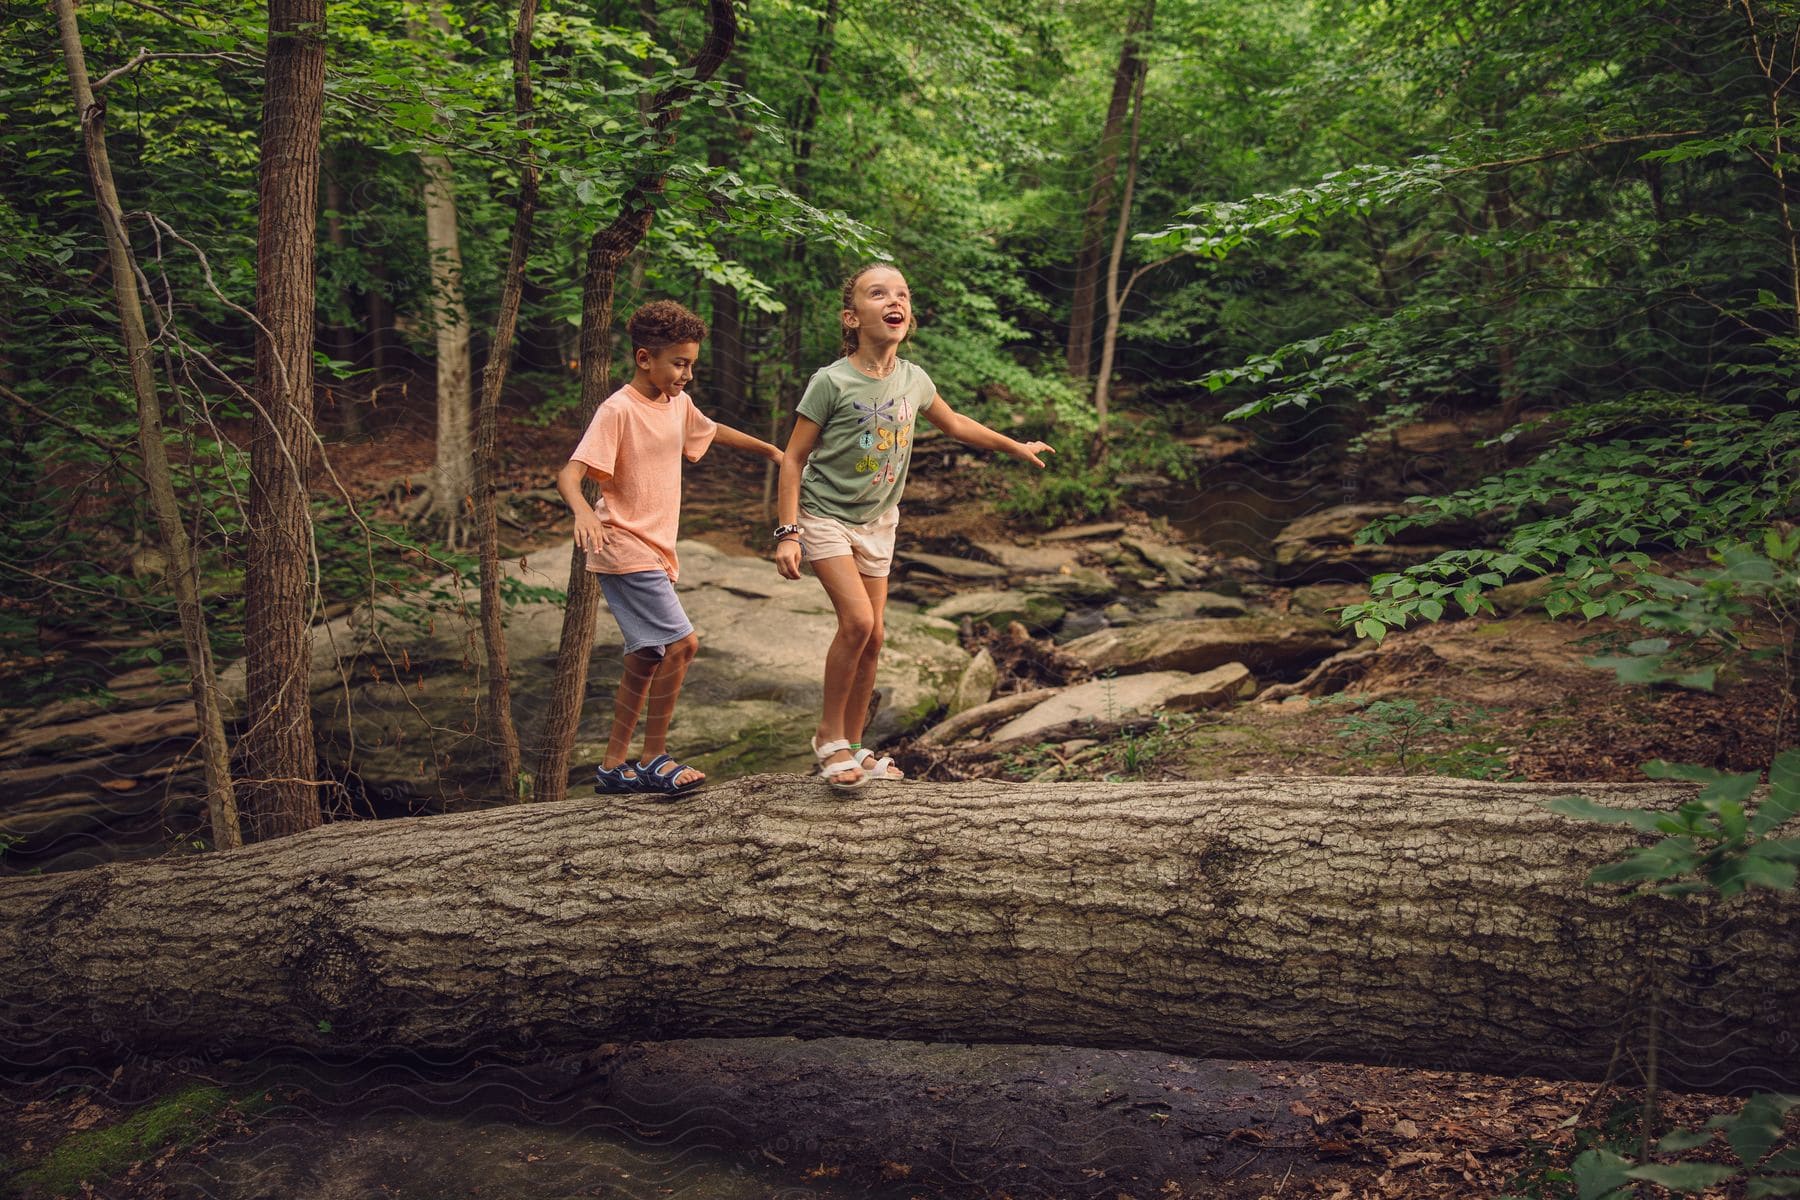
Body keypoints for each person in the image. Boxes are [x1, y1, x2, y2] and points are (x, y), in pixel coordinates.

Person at [773, 265, 1054, 788]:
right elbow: (792, 459)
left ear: (909, 314)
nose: (893, 300)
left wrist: (1013, 444)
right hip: (824, 514)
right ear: (852, 317)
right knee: (856, 623)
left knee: (875, 638)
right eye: (877, 293)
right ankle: (828, 739)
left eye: (901, 293)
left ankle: (856, 748)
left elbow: (956, 424)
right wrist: (787, 531)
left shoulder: (913, 379)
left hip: (879, 521)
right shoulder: (831, 381)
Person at [557, 299, 782, 796]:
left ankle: (614, 767)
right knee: (683, 645)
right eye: (679, 363)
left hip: (656, 550)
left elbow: (711, 430)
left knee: (647, 655)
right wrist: (581, 511)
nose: (687, 374)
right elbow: (570, 474)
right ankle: (655, 757)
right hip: (623, 544)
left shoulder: (675, 403)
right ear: (645, 359)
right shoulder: (617, 409)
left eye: (692, 365)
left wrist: (769, 449)